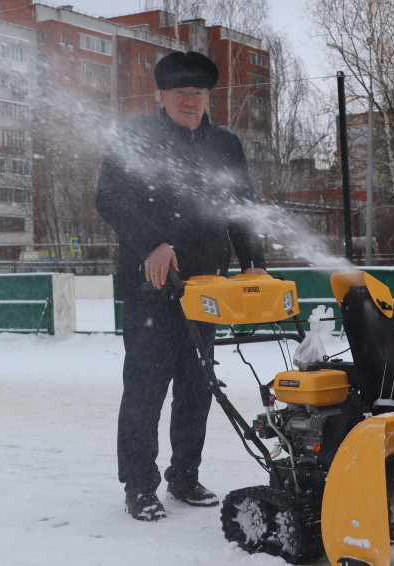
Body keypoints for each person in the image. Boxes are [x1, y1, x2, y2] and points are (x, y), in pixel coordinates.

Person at [96, 51, 267, 521]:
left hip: (208, 289)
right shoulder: (136, 137)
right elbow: (108, 197)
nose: (191, 101)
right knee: (146, 388)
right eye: (181, 93)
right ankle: (138, 485)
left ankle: (184, 475)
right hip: (152, 287)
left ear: (208, 98)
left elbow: (242, 206)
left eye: (199, 93)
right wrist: (155, 242)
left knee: (197, 387)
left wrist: (254, 262)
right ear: (162, 96)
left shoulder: (225, 145)